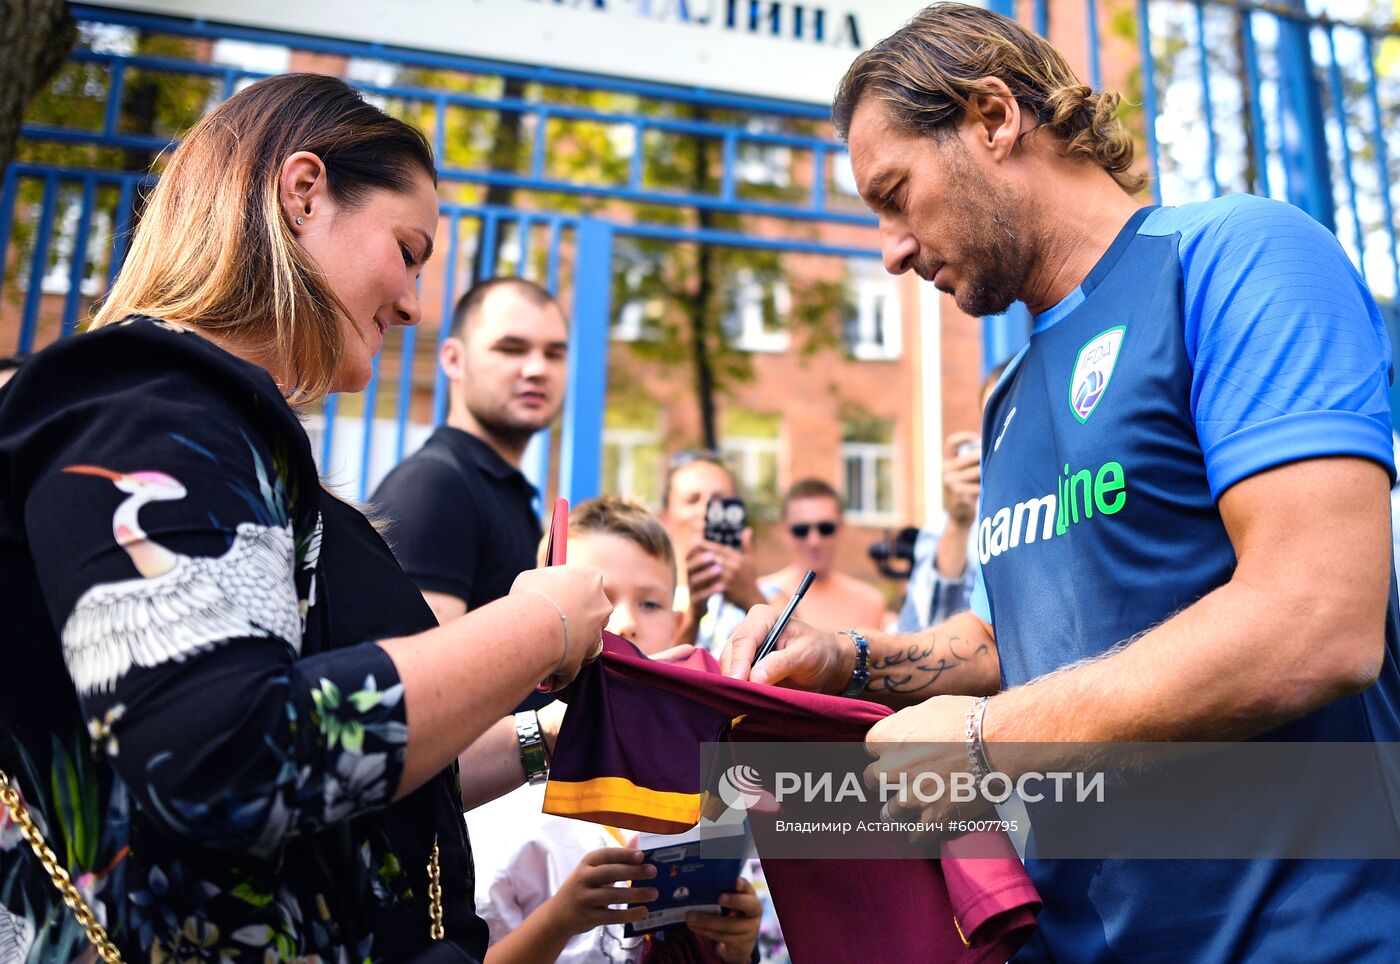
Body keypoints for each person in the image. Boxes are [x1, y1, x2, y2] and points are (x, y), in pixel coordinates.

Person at [721, 3, 1400, 960]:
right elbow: (1035, 639)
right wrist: (854, 660)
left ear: (994, 118)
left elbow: (1316, 620)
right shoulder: (1007, 391)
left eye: (894, 194)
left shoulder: (1236, 256)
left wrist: (991, 739)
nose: (892, 249)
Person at [0, 73, 612, 962]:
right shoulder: (145, 405)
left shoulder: (222, 434)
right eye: (408, 250)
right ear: (303, 193)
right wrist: (540, 624)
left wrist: (544, 733)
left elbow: (340, 768)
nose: (409, 299)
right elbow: (231, 757)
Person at [467, 497, 764, 964]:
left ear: (680, 622)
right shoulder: (496, 793)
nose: (625, 622)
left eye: (650, 603)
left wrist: (738, 947)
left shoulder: (711, 780)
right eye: (597, 599)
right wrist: (561, 917)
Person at [372, 276, 568, 626]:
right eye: (511, 349)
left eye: (554, 353)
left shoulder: (500, 490)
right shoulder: (434, 487)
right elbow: (423, 670)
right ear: (453, 359)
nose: (538, 369)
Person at [898, 361, 1006, 632]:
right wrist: (958, 525)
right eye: (995, 419)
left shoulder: (1076, 496)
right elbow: (924, 631)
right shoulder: (954, 523)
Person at [657, 451, 769, 655]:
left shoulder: (771, 596)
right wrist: (693, 616)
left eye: (719, 499)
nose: (706, 510)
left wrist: (751, 596)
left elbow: (799, 659)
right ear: (665, 516)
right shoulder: (651, 597)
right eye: (692, 500)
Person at [759, 479, 886, 632]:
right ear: (783, 531)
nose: (814, 541)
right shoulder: (761, 593)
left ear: (841, 528)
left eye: (826, 528)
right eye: (801, 530)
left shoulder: (870, 601)